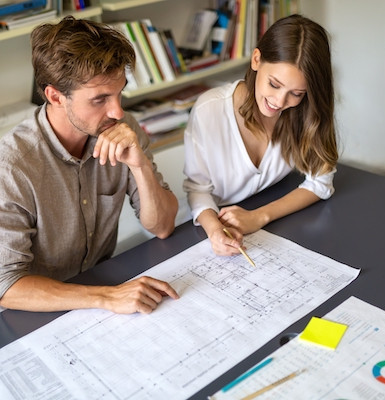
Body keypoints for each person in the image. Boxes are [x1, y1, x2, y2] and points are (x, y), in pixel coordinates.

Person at [0, 16, 180, 314]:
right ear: (55, 96)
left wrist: (140, 166)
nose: (118, 110)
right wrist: (106, 298)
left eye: (120, 92)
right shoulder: (12, 166)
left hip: (100, 289)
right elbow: (6, 285)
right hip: (37, 310)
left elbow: (162, 227)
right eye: (100, 99)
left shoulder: (123, 128)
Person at [183, 14, 338, 256]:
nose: (279, 101)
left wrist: (260, 216)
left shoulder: (304, 112)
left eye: (296, 93)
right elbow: (198, 190)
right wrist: (215, 231)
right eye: (274, 84)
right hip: (208, 223)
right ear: (256, 60)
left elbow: (321, 182)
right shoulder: (209, 110)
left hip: (265, 219)